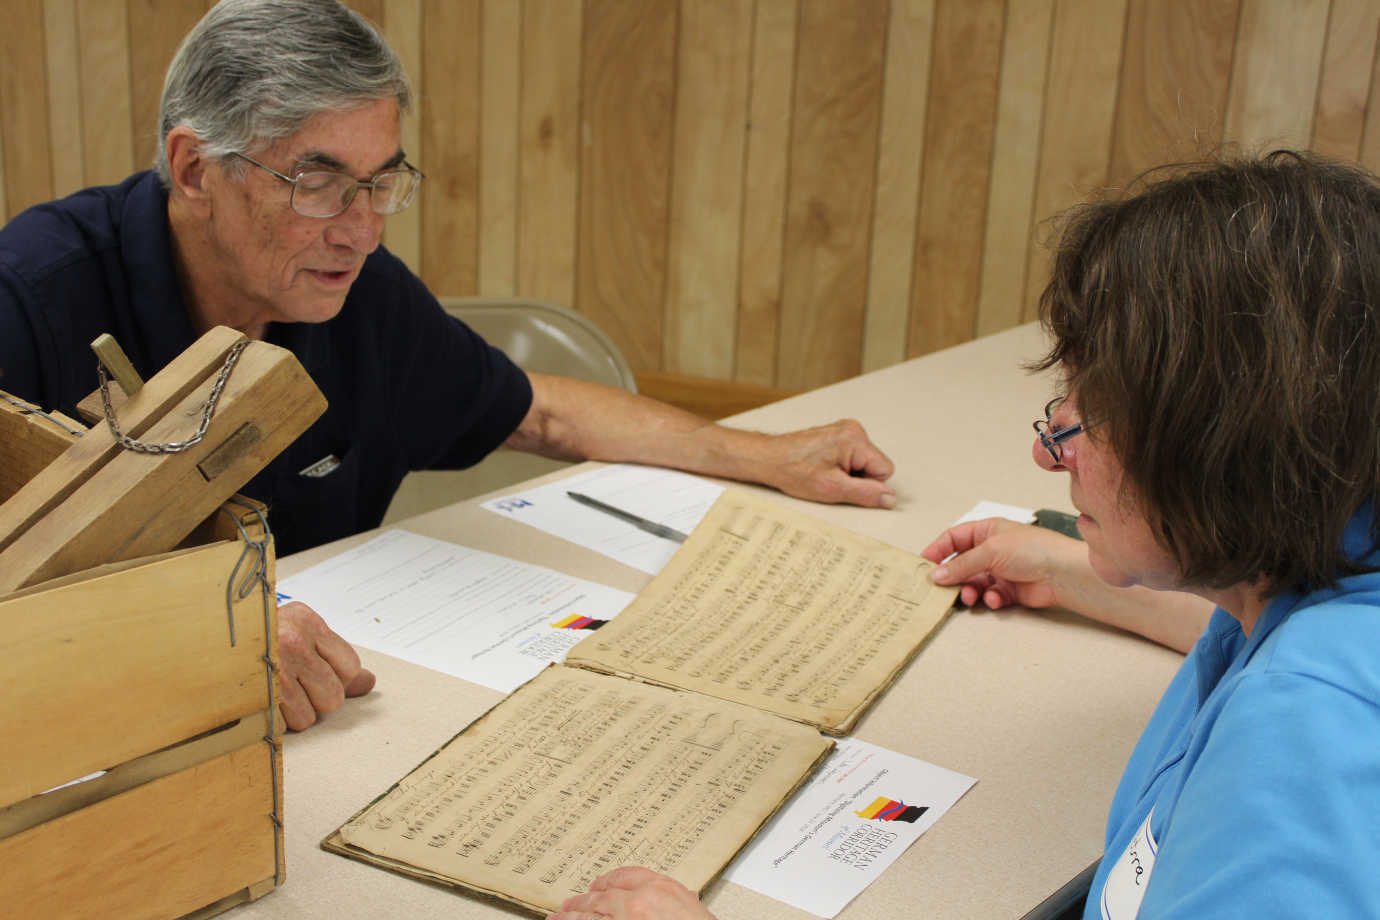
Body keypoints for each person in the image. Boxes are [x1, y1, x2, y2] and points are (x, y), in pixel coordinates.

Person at [0, 0, 896, 732]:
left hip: (334, 721)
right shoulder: (30, 298)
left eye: (382, 180)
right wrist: (195, 634)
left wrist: (764, 454)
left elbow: (540, 412)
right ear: (195, 169)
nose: (361, 227)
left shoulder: (358, 297)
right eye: (316, 183)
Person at [551, 150, 1380, 919]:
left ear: (1212, 443)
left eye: (1082, 420)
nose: (1046, 454)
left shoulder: (1301, 739)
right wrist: (1072, 572)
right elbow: (1263, 632)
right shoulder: (1321, 572)